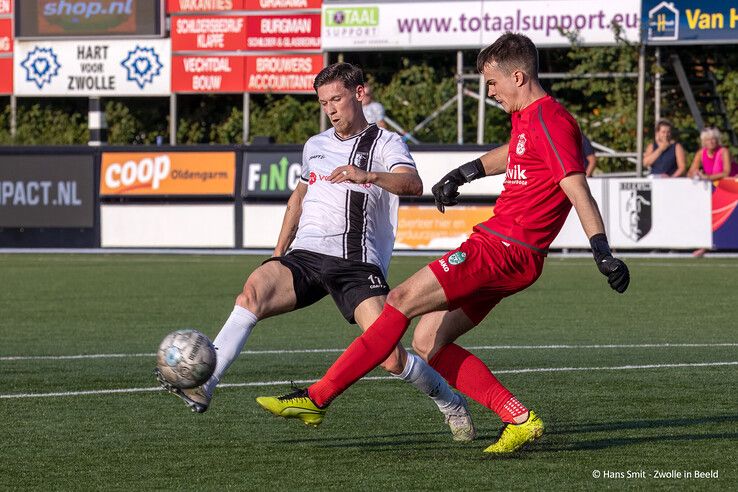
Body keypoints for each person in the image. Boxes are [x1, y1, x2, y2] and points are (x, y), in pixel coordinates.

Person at [256, 33, 630, 454]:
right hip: (514, 256)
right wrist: (464, 173)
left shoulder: (552, 120)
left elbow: (578, 189)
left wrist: (602, 251)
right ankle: (518, 418)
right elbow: (516, 151)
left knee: (398, 300)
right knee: (428, 342)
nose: (489, 92)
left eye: (492, 83)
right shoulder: (530, 117)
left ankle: (317, 397)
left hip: (502, 248)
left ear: (519, 76)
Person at [155, 62, 476, 442]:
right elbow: (299, 198)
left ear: (358, 94)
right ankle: (205, 385)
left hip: (356, 262)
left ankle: (450, 401)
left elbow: (413, 183)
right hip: (305, 257)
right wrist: (277, 255)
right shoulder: (315, 146)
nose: (331, 109)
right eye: (324, 103)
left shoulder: (386, 142)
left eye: (336, 99)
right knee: (252, 293)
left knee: (390, 357)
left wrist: (368, 175)